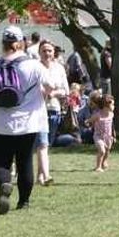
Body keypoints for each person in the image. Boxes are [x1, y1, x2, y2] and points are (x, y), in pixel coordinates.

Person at [0, 26, 46, 214]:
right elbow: (50, 86)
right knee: (25, 163)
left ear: (3, 44)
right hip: (28, 124)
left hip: (1, 124)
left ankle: (4, 184)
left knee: (1, 162)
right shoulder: (34, 66)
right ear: (21, 42)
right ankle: (24, 202)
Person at [36, 40, 68, 182]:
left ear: (54, 52)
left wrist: (54, 94)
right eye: (44, 51)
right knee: (39, 143)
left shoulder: (59, 68)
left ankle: (40, 174)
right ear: (39, 53)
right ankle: (42, 175)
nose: (47, 53)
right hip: (36, 109)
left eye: (49, 50)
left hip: (53, 108)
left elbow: (66, 90)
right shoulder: (35, 67)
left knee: (46, 143)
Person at [89, 93, 115, 171]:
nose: (114, 107)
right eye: (112, 105)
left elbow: (111, 126)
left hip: (108, 136)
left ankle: (104, 161)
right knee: (102, 150)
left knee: (107, 150)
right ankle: (98, 167)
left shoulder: (111, 114)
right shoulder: (98, 115)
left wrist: (114, 135)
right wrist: (87, 122)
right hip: (98, 136)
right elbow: (90, 120)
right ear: (106, 105)